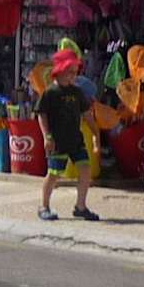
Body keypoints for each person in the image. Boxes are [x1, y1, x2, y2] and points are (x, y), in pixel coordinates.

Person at [35, 72, 99, 222]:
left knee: (85, 169)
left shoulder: (77, 92)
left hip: (76, 140)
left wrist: (96, 133)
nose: (72, 76)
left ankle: (80, 207)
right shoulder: (50, 92)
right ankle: (44, 206)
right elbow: (41, 115)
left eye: (74, 72)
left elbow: (87, 114)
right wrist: (47, 137)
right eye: (69, 71)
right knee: (54, 174)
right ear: (59, 72)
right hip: (58, 141)